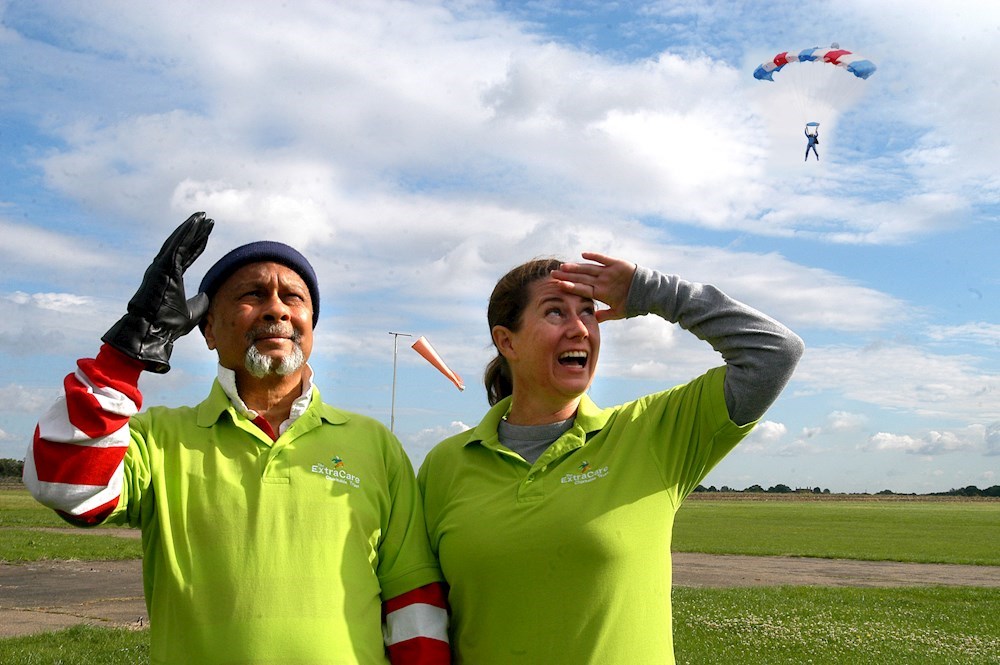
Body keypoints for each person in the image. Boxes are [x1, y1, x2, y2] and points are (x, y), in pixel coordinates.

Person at [23, 213, 450, 665]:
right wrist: (131, 347)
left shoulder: (375, 444)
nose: (277, 309)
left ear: (311, 327)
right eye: (252, 294)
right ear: (206, 330)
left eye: (294, 297)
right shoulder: (158, 437)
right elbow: (67, 488)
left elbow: (413, 597)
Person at [417, 252, 804, 664]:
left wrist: (649, 291)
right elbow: (419, 615)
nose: (580, 328)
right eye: (555, 313)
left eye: (587, 312)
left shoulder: (650, 434)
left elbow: (774, 352)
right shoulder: (446, 465)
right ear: (506, 340)